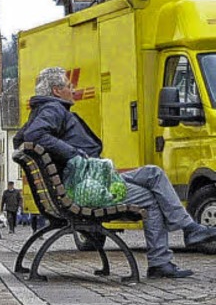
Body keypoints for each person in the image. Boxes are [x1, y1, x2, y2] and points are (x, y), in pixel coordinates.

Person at [13, 66, 216, 277]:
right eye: (68, 85)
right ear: (56, 90)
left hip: (89, 178)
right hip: (87, 186)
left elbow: (19, 139)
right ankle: (162, 259)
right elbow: (34, 135)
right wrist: (74, 153)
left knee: (153, 174)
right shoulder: (52, 109)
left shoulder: (45, 110)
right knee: (149, 197)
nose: (73, 89)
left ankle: (189, 230)